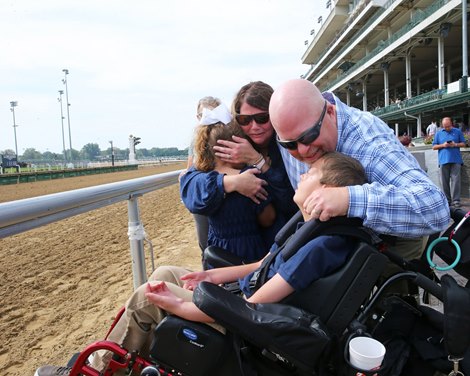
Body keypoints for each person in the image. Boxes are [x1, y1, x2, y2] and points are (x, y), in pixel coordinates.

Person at [35, 152, 367, 376]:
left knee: (145, 299)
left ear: (327, 190)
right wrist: (209, 274)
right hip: (241, 301)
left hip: (246, 324)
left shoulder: (319, 247)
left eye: (310, 173)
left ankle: (99, 369)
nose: (302, 176)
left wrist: (179, 304)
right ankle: (115, 361)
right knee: (165, 272)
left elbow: (250, 309)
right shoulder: (310, 229)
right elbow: (262, 265)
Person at [268, 79, 450, 263]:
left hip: (393, 243)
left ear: (330, 113)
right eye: (289, 144)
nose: (303, 151)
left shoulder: (369, 144)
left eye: (309, 136)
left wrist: (348, 199)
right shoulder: (295, 127)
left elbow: (435, 208)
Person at [180, 81, 297, 256]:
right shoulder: (230, 142)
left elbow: (291, 202)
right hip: (239, 252)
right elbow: (191, 183)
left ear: (274, 116)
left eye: (262, 118)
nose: (254, 126)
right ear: (236, 120)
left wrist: (258, 161)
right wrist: (231, 182)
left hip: (281, 246)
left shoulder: (290, 146)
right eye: (245, 120)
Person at [185, 96, 224, 255]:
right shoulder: (195, 139)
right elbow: (190, 166)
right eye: (203, 115)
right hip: (203, 190)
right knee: (204, 241)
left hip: (222, 188)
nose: (207, 119)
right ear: (198, 117)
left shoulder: (224, 133)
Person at [432, 116, 466, 208]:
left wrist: (455, 144)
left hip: (456, 160)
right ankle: (447, 200)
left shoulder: (457, 131)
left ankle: (456, 201)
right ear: (442, 126)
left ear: (451, 124)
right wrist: (443, 145)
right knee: (444, 182)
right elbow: (434, 147)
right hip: (443, 160)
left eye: (448, 126)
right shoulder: (438, 134)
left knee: (456, 181)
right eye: (445, 126)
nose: (447, 128)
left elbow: (464, 143)